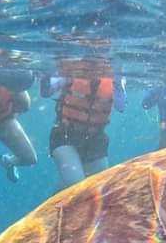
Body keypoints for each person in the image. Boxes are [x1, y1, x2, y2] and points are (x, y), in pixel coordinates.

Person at [41, 59, 125, 189]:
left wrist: (118, 82)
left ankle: (55, 199)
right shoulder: (73, 71)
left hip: (94, 140)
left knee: (99, 190)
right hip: (65, 136)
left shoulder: (113, 77)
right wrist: (48, 71)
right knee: (77, 186)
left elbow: (121, 106)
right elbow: (46, 92)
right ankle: (60, 194)